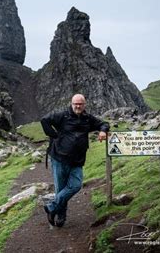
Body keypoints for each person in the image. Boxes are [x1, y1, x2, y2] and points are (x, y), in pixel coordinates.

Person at [41, 94, 109, 227]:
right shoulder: (62, 115)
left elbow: (104, 123)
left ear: (84, 105)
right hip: (60, 158)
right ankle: (61, 217)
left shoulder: (87, 118)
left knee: (76, 185)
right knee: (61, 189)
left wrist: (103, 131)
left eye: (80, 104)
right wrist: (54, 135)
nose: (78, 106)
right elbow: (44, 120)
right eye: (75, 104)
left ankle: (51, 207)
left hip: (77, 160)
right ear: (71, 104)